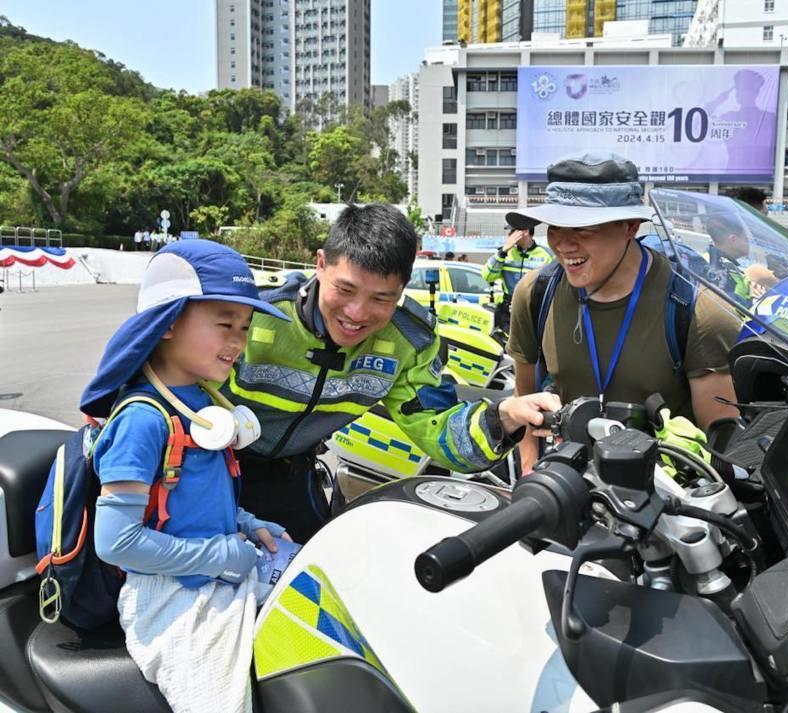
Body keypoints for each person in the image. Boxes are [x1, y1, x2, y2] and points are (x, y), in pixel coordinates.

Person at [221, 204, 560, 540]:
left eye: (381, 299)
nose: (357, 313)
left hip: (293, 477)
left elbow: (439, 429)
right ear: (320, 264)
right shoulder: (255, 312)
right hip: (209, 467)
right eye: (346, 289)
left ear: (402, 289)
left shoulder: (409, 343)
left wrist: (504, 417)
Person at [79, 240, 294, 713]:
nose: (238, 341)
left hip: (217, 571)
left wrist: (244, 522)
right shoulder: (143, 419)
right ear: (170, 321)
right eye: (224, 324)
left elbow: (187, 500)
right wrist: (218, 555)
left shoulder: (205, 403)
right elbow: (116, 542)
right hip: (171, 599)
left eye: (245, 326)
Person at [504, 153, 740, 473]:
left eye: (583, 228)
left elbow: (721, 448)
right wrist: (529, 480)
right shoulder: (535, 293)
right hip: (569, 489)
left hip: (667, 504)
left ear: (630, 226)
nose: (563, 243)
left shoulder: (698, 311)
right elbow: (526, 400)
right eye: (556, 225)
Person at [481, 226, 553, 333]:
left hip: (534, 312)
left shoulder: (546, 255)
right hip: (508, 312)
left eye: (512, 232)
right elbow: (487, 276)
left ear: (525, 231)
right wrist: (502, 252)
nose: (508, 236)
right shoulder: (506, 253)